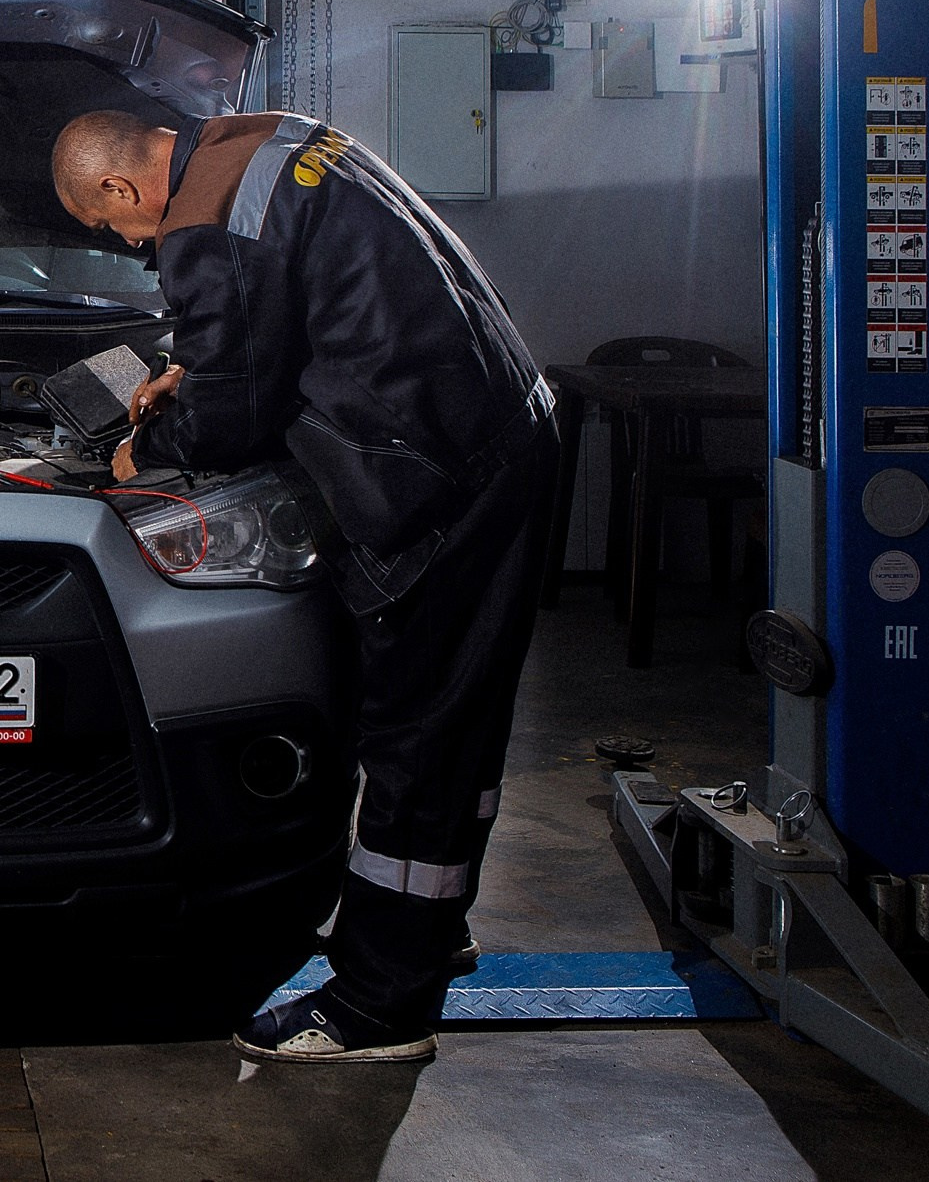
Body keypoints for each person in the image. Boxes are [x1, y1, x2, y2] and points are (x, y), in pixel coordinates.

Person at [51, 107, 555, 1064]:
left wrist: (143, 444)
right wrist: (190, 368)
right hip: (502, 430)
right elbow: (286, 309)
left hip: (433, 476)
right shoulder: (265, 141)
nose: (132, 245)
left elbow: (235, 414)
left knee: (414, 731)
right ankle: (427, 932)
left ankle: (378, 1008)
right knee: (462, 720)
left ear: (122, 188)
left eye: (115, 229)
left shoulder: (199, 222)